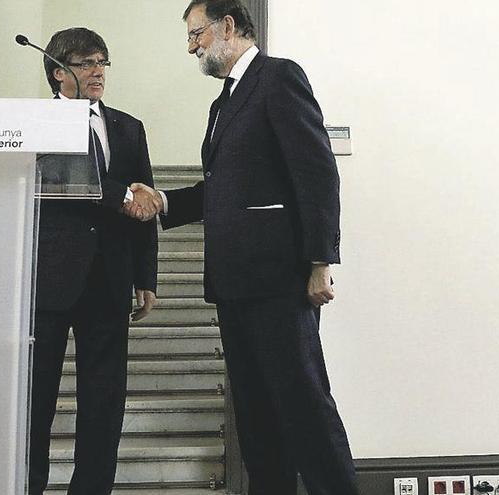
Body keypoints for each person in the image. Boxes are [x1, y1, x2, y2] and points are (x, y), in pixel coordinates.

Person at [126, 1, 359, 494]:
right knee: (255, 416)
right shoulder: (224, 103)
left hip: (279, 280)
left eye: (196, 35)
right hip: (235, 283)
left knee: (304, 407)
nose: (192, 47)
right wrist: (164, 199)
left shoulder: (278, 78)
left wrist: (320, 262)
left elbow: (317, 175)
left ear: (227, 26)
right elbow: (224, 190)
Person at [29, 27, 158, 495]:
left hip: (110, 279)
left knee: (104, 403)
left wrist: (146, 277)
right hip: (47, 282)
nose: (97, 70)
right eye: (86, 63)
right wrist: (119, 195)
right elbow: (61, 180)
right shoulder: (33, 121)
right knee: (35, 400)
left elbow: (144, 200)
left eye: (102, 61)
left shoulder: (129, 126)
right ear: (58, 72)